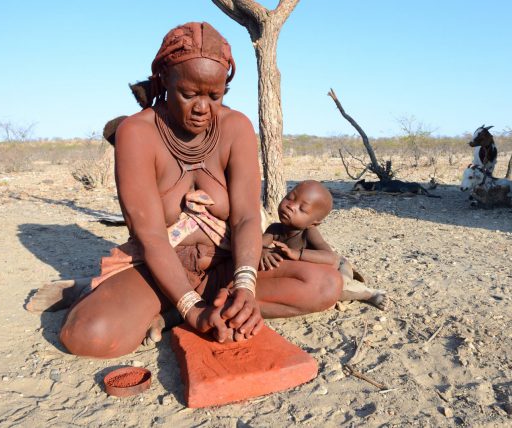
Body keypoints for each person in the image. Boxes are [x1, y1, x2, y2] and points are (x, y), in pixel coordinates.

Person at [58, 22, 342, 359]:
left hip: (225, 264)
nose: (202, 108)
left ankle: (206, 309)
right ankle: (185, 308)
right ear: (164, 80)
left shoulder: (235, 128)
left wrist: (245, 286)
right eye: (189, 94)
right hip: (160, 269)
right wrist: (192, 308)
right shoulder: (137, 133)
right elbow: (149, 235)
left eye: (214, 95)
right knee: (87, 335)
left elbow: (247, 218)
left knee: (326, 285)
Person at [261, 180, 387, 309]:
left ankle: (369, 294)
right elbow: (258, 245)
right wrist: (262, 251)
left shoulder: (308, 232)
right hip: (309, 273)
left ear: (313, 223)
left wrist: (297, 254)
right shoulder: (274, 229)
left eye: (302, 208)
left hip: (338, 267)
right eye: (290, 198)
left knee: (337, 290)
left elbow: (330, 257)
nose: (291, 206)